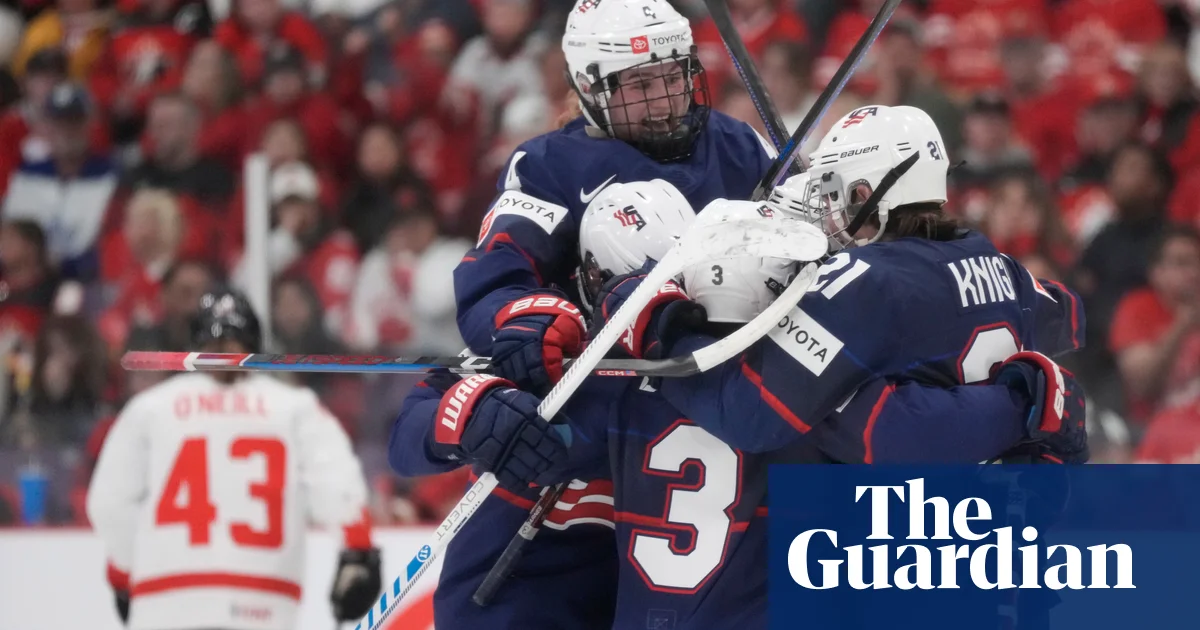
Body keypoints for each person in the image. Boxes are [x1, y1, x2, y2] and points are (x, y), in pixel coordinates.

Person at [392, 180, 1086, 628]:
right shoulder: (796, 379)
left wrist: (470, 411)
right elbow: (896, 431)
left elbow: (418, 422)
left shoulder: (585, 372)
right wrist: (1021, 401)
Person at [591, 105, 1087, 469]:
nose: (822, 208)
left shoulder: (864, 284)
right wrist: (1024, 400)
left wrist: (657, 323)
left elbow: (749, 413)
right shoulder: (1002, 265)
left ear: (864, 194)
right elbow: (1068, 314)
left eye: (831, 190)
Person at [454, 0, 778, 398]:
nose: (665, 102)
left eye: (675, 77)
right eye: (641, 85)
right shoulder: (547, 165)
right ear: (590, 88)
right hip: (616, 398)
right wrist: (524, 319)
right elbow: (496, 276)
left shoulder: (737, 143)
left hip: (747, 379)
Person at [86, 288, 381, 630]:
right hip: (264, 605)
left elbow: (109, 504)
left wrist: (124, 572)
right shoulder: (293, 407)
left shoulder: (151, 408)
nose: (223, 351)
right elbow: (338, 488)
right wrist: (357, 555)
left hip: (167, 603)